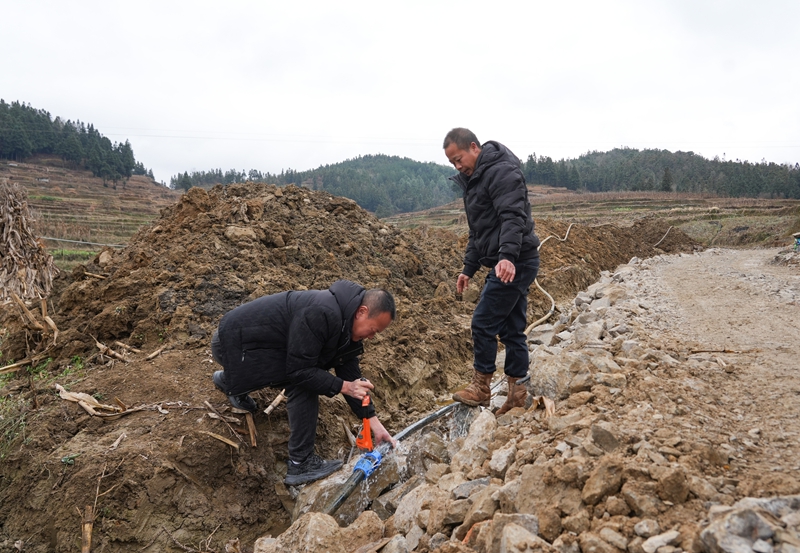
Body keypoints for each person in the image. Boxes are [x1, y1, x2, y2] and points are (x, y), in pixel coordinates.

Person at [211, 279, 396, 486]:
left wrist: (375, 424)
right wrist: (344, 386)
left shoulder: (346, 327)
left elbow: (352, 378)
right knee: (305, 380)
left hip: (254, 346)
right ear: (361, 312)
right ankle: (300, 463)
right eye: (373, 330)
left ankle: (229, 381)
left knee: (308, 372)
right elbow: (300, 371)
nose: (371, 337)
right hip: (234, 344)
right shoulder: (322, 312)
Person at [443, 128, 541, 415]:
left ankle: (481, 388)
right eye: (452, 163)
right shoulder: (475, 180)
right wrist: (468, 268)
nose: (457, 166)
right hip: (511, 260)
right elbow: (479, 232)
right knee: (512, 329)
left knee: (483, 322)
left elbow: (513, 216)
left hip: (515, 261)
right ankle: (517, 393)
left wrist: (507, 256)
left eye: (459, 159)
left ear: (474, 147)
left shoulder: (501, 171)